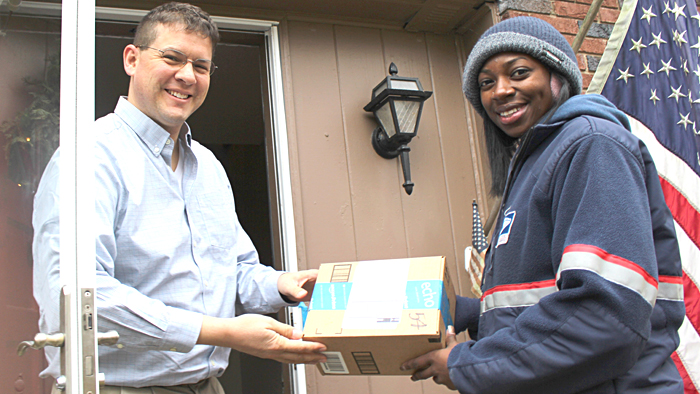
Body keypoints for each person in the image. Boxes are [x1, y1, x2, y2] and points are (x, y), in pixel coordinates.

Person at [32, 2, 326, 392]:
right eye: (172, 58)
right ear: (132, 59)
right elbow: (81, 298)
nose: (187, 75)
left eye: (201, 66)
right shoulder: (89, 156)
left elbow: (233, 270)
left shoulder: (208, 167)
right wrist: (224, 333)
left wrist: (283, 285)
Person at [401, 16, 685, 393]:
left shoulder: (592, 144)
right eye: (486, 83)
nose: (500, 91)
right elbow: (532, 301)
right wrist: (433, 307)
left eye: (518, 72)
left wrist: (468, 364)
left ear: (558, 77)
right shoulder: (536, 164)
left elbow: (603, 316)